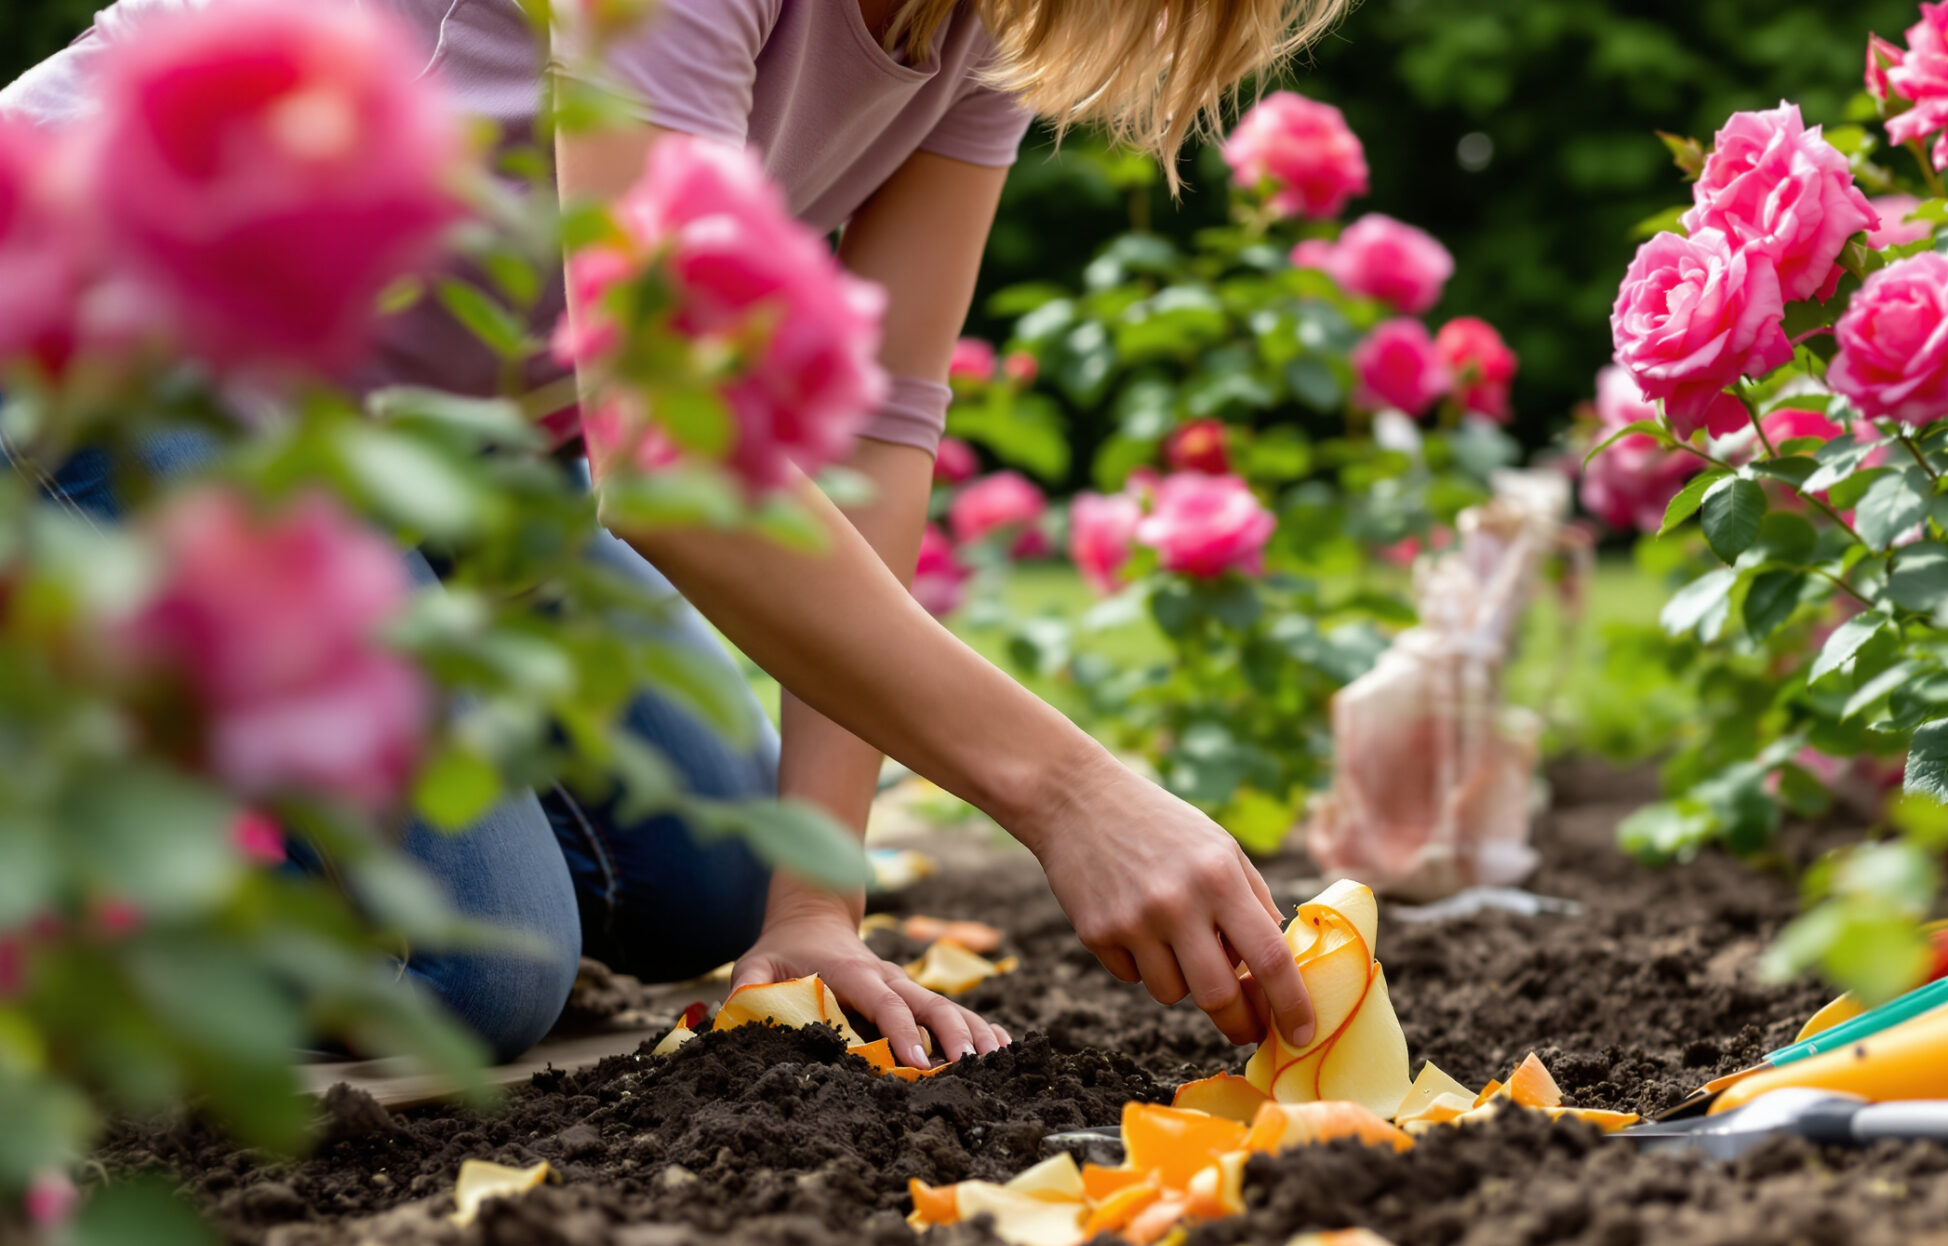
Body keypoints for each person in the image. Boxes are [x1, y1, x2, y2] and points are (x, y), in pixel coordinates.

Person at [1, 0, 1341, 1066]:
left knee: (720, 873)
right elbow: (664, 452)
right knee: (470, 972)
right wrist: (1072, 791)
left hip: (424, 447)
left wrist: (816, 912)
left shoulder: (983, 24)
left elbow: (880, 431)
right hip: (120, 332)